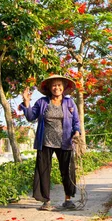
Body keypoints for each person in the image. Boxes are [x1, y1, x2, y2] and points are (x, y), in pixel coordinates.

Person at [20, 74, 81, 211]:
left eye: (59, 85)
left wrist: (76, 133)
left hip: (65, 141)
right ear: (49, 88)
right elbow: (30, 117)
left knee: (67, 171)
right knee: (43, 171)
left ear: (64, 87)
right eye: (54, 85)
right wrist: (26, 102)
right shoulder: (42, 102)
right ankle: (46, 201)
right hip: (45, 141)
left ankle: (68, 200)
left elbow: (76, 122)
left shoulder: (70, 103)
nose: (56, 88)